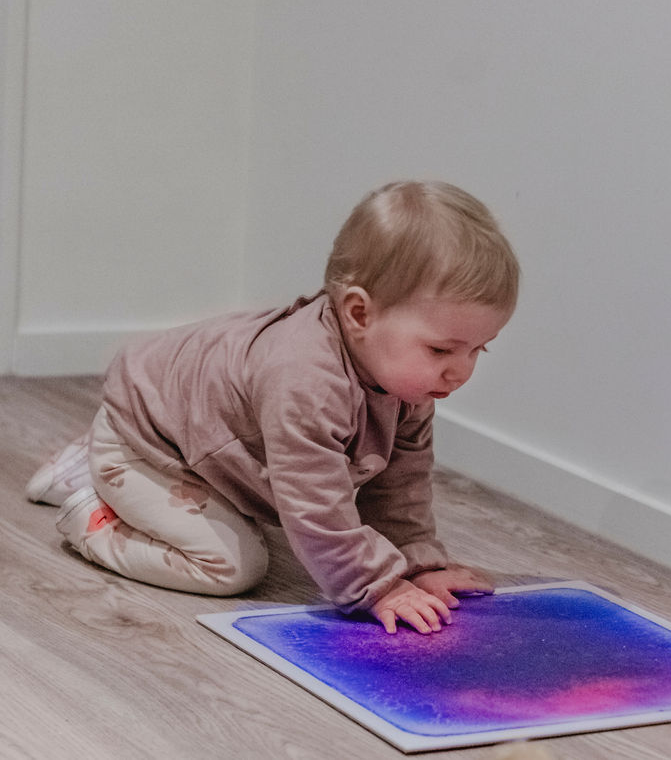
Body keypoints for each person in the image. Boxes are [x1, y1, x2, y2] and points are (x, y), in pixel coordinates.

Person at [26, 180, 519, 635]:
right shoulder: (305, 381)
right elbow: (314, 504)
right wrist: (378, 585)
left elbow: (400, 486)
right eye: (441, 349)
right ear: (360, 313)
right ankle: (93, 511)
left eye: (479, 349)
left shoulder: (410, 385)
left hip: (191, 428)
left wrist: (417, 563)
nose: (461, 371)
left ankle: (100, 463)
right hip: (153, 440)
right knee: (232, 567)